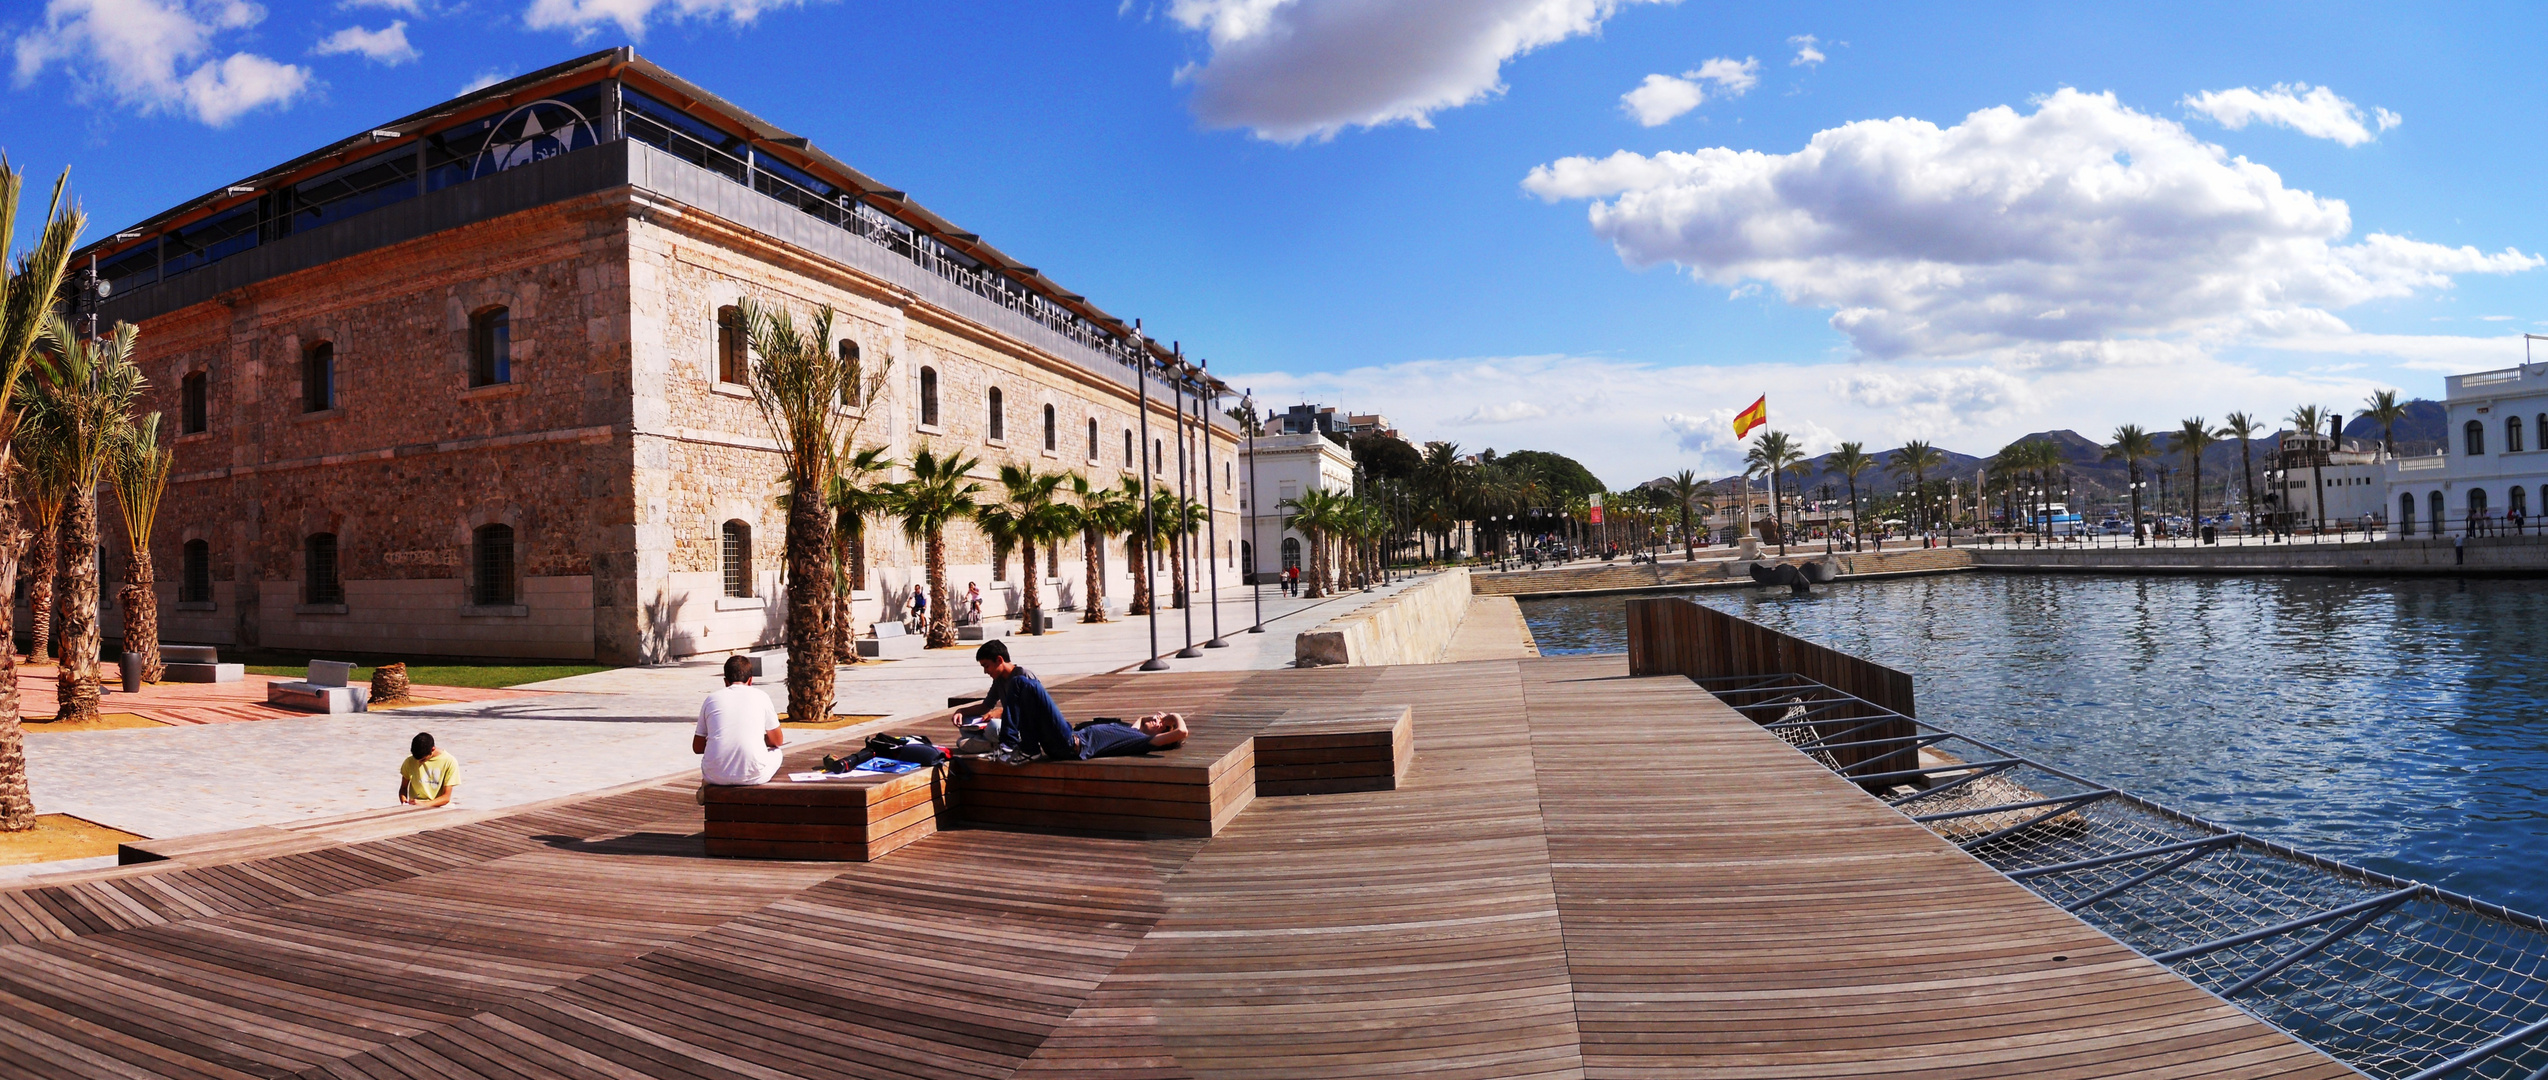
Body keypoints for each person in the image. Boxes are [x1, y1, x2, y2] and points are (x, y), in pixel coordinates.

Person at [695, 654, 784, 788]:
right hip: (754, 776)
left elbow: (697, 747)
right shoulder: (762, 697)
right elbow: (777, 741)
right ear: (750, 680)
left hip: (714, 776)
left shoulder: (711, 699)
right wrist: (761, 739)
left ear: (725, 681)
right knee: (777, 753)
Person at [399, 732, 459, 808]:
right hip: (414, 805)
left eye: (423, 759)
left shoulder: (449, 761)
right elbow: (403, 788)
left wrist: (424, 804)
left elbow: (446, 797)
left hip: (440, 806)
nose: (419, 763)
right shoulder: (409, 760)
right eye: (416, 759)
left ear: (433, 749)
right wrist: (404, 802)